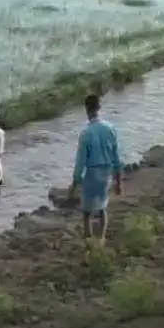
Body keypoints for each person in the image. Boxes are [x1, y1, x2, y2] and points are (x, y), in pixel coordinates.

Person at [71, 93, 124, 243]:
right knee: (102, 208)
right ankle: (101, 239)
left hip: (92, 173)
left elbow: (80, 161)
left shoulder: (86, 133)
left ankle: (88, 237)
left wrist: (75, 181)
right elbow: (116, 157)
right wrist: (118, 181)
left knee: (87, 211)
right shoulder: (110, 129)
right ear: (99, 107)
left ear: (86, 109)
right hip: (106, 172)